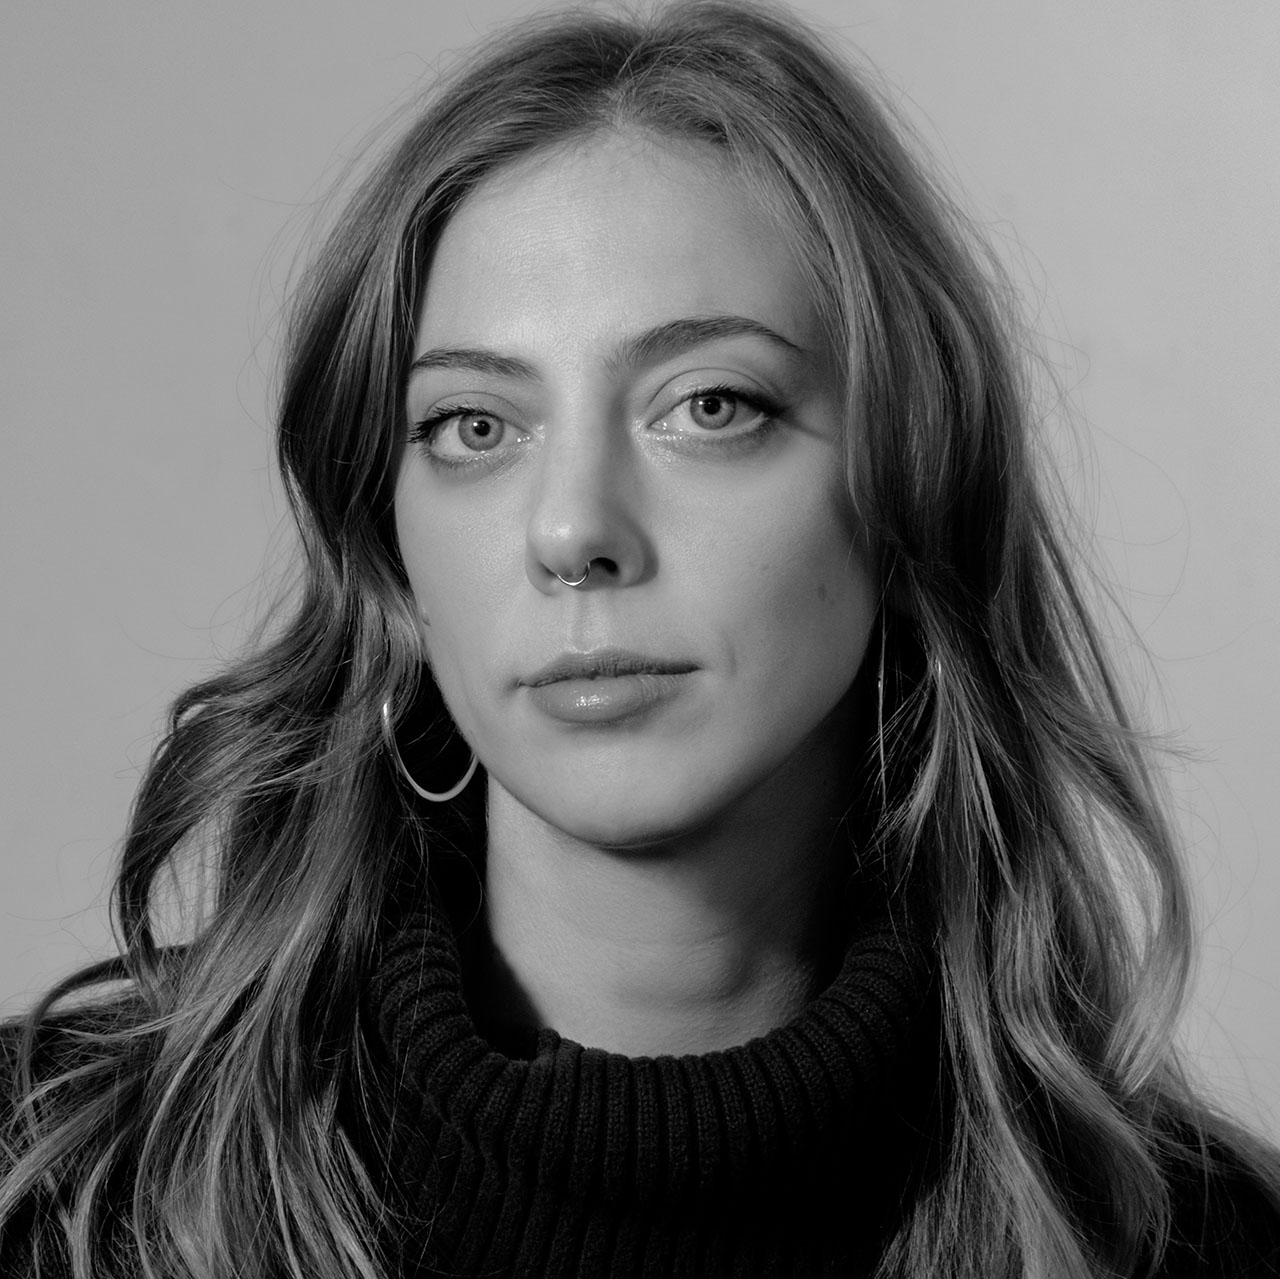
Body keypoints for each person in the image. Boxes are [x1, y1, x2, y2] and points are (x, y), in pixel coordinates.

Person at [3, 2, 1278, 1275]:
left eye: (707, 405)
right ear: (391, 549)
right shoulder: (52, 1182)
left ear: (909, 488)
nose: (570, 532)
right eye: (474, 426)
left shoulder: (1192, 1242)